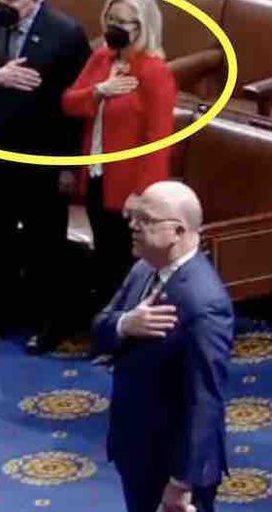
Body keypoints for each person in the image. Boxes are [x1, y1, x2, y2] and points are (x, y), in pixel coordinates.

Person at [92, 181, 233, 512]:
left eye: (144, 219)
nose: (132, 225)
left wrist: (183, 481)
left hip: (178, 463)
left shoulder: (203, 301)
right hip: (136, 449)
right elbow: (100, 328)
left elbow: (205, 401)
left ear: (177, 231)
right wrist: (126, 324)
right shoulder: (143, 272)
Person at [0, 0, 91, 353]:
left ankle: (51, 322)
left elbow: (77, 106)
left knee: (45, 242)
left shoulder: (67, 32)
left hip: (43, 157)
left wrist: (68, 166)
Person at [63, 0, 177, 329]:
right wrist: (98, 91)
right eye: (111, 18)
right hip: (97, 175)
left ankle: (129, 334)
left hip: (130, 187)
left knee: (127, 266)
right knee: (105, 256)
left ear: (143, 28)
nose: (114, 27)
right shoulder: (101, 58)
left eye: (124, 22)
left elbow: (159, 141)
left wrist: (143, 195)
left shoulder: (155, 73)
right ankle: (107, 329)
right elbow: (69, 103)